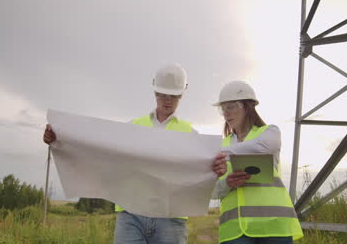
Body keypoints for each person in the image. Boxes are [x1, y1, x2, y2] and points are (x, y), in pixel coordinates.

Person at [44, 64, 222, 244]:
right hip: (131, 216)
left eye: (174, 96)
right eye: (163, 95)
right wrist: (60, 137)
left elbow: (207, 168)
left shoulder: (191, 135)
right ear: (155, 93)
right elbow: (98, 146)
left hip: (171, 218)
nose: (168, 100)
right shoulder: (132, 127)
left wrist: (217, 167)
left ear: (181, 95)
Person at [211, 81, 303, 244]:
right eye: (223, 108)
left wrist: (221, 154)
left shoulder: (269, 133)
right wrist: (227, 183)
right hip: (235, 232)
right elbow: (212, 192)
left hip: (274, 226)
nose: (226, 113)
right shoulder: (221, 145)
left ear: (247, 107)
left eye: (231, 106)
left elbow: (263, 147)